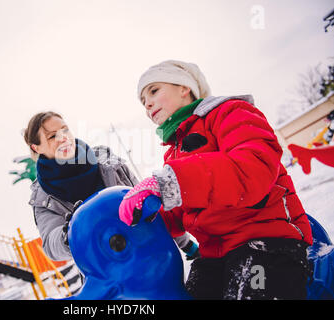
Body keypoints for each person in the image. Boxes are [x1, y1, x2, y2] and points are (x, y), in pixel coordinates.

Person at [119, 60, 313, 300]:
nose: (147, 104)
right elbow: (182, 212)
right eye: (142, 101)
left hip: (267, 241)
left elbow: (253, 170)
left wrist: (172, 181)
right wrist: (144, 218)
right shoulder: (174, 152)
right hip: (214, 256)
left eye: (153, 90)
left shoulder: (230, 112)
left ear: (184, 87)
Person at [23, 111, 199, 272]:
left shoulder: (107, 162)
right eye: (53, 136)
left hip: (153, 252)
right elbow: (51, 244)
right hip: (109, 273)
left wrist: (185, 243)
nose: (63, 138)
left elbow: (147, 204)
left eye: (65, 130)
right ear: (36, 148)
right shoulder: (44, 197)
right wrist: (69, 235)